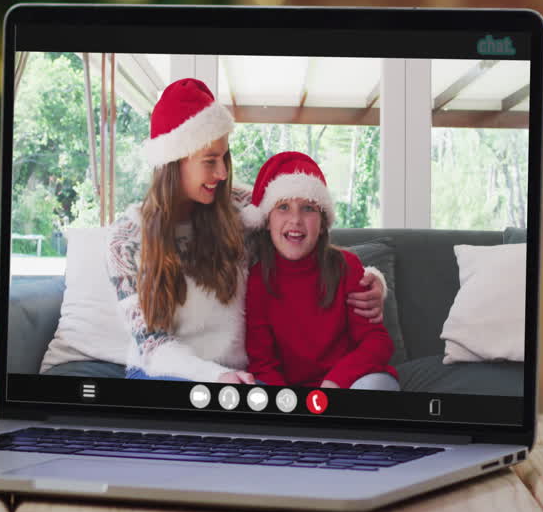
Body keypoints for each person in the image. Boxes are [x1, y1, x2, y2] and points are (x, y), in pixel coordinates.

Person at [106, 78, 387, 383]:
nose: (223, 172)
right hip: (166, 373)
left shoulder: (240, 207)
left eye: (225, 157)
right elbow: (152, 346)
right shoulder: (128, 238)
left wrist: (371, 281)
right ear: (174, 162)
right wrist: (215, 376)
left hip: (242, 376)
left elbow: (303, 245)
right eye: (210, 161)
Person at [241, 151, 400, 391]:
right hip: (290, 395)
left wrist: (334, 382)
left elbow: (377, 342)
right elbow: (263, 364)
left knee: (376, 386)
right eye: (283, 206)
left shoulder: (346, 266)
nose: (295, 219)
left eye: (308, 208)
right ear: (267, 220)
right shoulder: (257, 280)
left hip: (348, 383)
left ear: (323, 222)